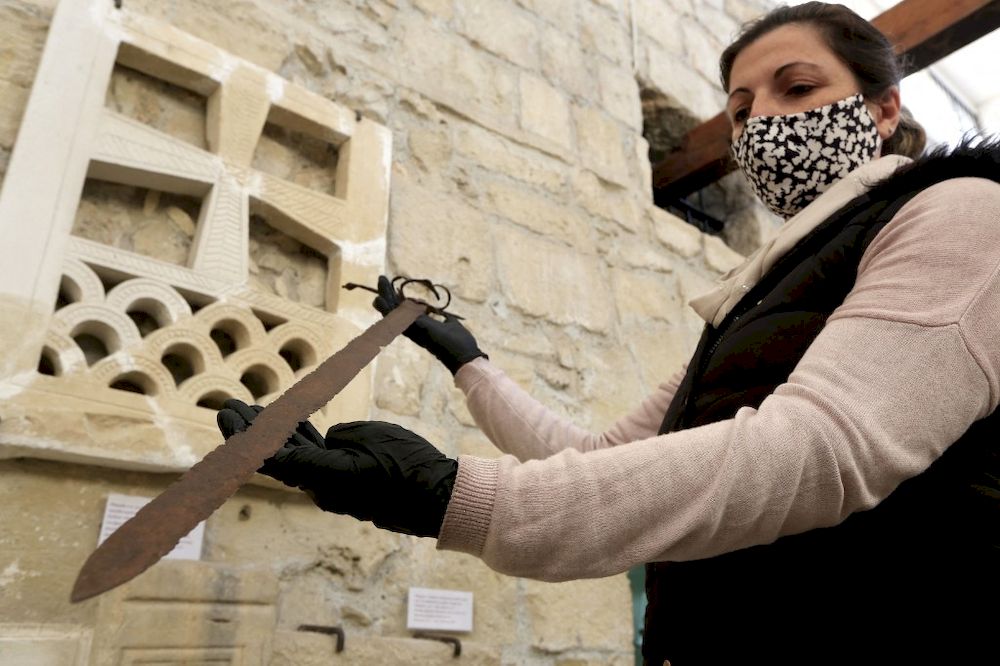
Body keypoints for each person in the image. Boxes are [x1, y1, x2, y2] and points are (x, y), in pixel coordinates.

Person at [218, 3, 1000, 663]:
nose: (762, 118)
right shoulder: (754, 295)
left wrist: (453, 497)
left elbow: (821, 449)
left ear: (884, 107)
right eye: (740, 109)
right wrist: (468, 363)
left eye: (796, 87)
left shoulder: (959, 212)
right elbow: (600, 457)